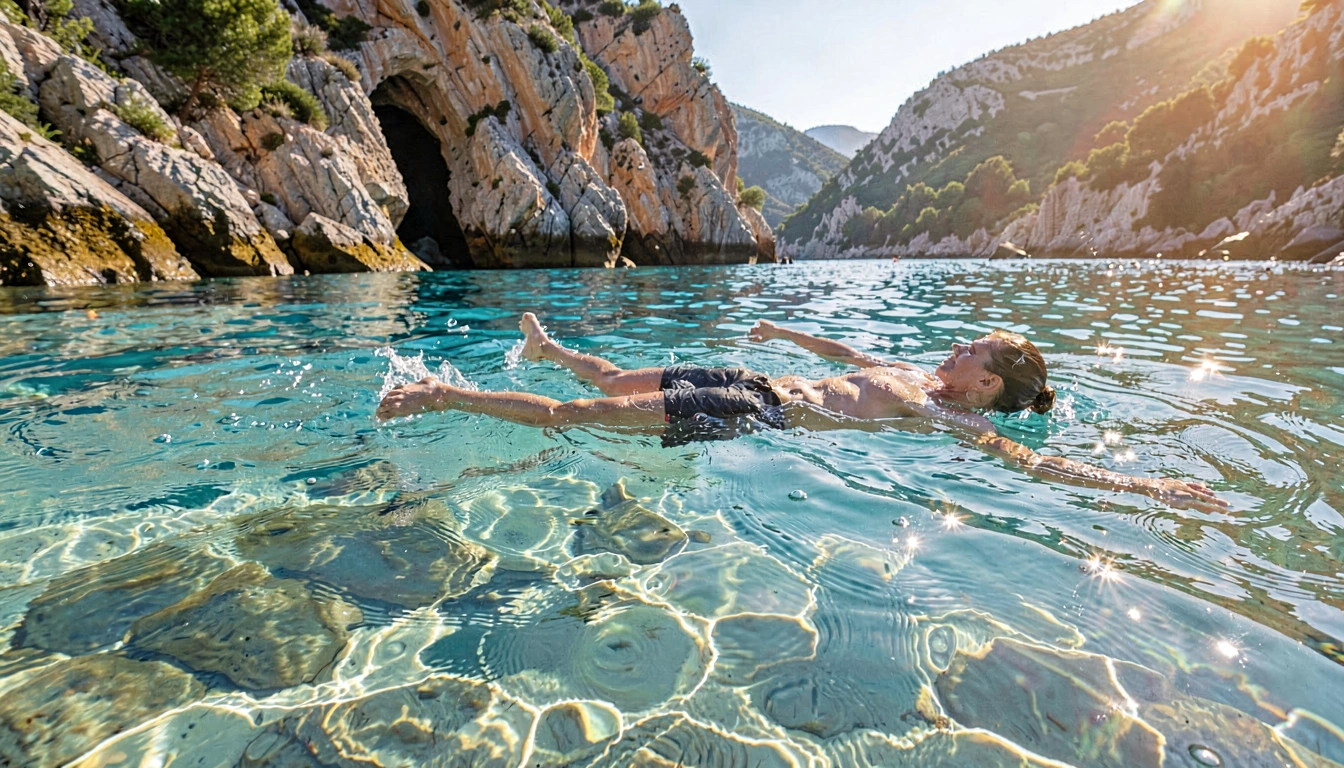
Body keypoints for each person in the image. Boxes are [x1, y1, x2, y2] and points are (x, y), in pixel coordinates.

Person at [378, 313, 1224, 509]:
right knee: (603, 384)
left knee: (573, 420)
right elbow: (846, 357)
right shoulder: (906, 374)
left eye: (972, 352)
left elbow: (1036, 465)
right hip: (753, 376)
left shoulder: (949, 420)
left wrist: (1149, 490)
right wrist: (784, 328)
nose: (957, 349)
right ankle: (551, 348)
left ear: (986, 388)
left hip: (754, 416)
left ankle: (443, 392)